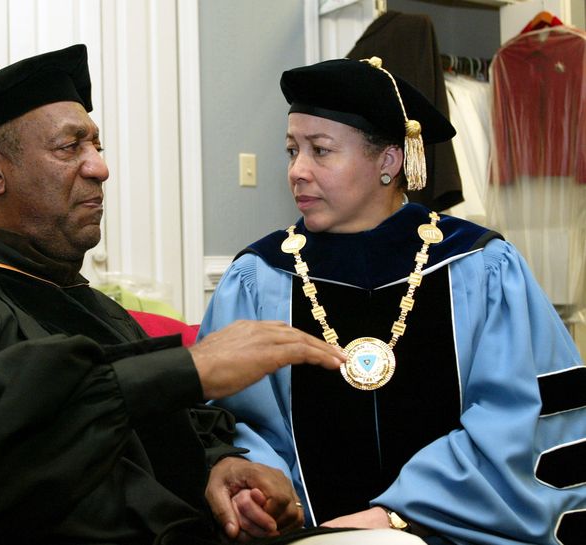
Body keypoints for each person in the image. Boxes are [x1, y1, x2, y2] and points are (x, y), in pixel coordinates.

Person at [0, 44, 358, 545]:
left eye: (97, 145)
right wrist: (185, 368)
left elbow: (168, 432)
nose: (102, 167)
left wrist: (220, 470)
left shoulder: (98, 309)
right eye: (71, 148)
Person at [198, 57, 586, 545]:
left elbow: (518, 418)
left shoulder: (479, 265)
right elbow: (233, 420)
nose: (297, 170)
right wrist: (261, 492)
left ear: (389, 162)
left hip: (452, 533)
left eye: (320, 150)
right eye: (292, 150)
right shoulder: (258, 277)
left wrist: (398, 515)